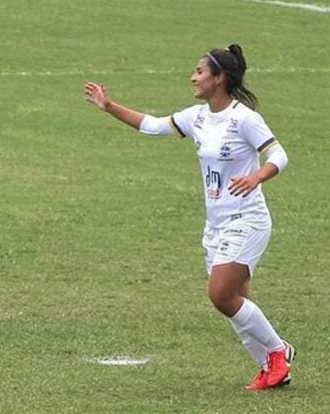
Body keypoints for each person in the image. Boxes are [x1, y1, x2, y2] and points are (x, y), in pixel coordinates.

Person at [84, 44, 295, 391]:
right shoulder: (196, 117)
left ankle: (277, 352)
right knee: (235, 300)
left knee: (221, 295)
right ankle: (271, 365)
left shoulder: (244, 118)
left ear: (219, 78)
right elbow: (152, 126)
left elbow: (278, 153)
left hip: (247, 219)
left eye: (200, 72)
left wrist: (258, 176)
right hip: (215, 224)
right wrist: (109, 107)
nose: (193, 77)